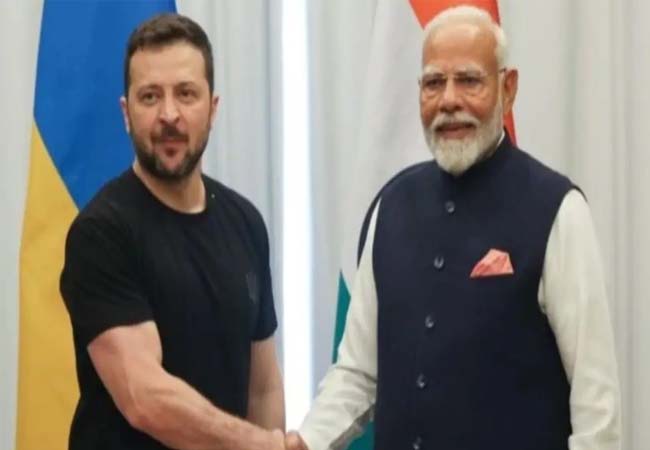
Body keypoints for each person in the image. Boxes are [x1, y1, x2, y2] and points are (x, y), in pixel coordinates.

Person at [286, 5, 621, 450]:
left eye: (468, 80)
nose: (448, 100)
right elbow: (357, 373)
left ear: (508, 89)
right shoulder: (390, 206)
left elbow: (597, 407)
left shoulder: (558, 210)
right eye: (433, 83)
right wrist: (305, 442)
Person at [60, 13, 284, 450]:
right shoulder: (100, 233)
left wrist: (265, 442)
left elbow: (263, 387)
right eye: (150, 96)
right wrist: (258, 444)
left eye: (186, 94)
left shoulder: (246, 222)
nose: (169, 114)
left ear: (212, 109)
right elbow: (146, 400)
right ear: (126, 113)